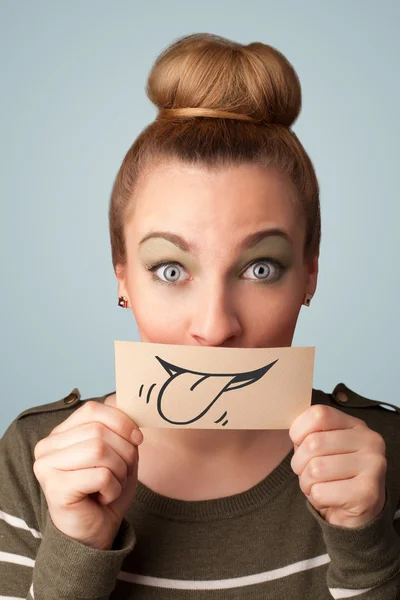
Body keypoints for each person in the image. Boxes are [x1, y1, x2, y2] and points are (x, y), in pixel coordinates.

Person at [0, 32, 399, 600]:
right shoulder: (36, 461)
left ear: (310, 273)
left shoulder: (387, 458)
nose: (214, 328)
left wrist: (365, 548)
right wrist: (76, 547)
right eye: (170, 269)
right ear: (122, 276)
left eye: (261, 268)